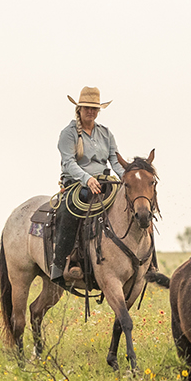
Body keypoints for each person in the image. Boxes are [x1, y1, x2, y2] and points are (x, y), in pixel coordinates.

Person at [49, 86, 124, 290]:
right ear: (79, 109)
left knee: (132, 206)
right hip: (76, 183)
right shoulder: (69, 134)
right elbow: (69, 163)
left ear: (98, 110)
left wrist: (127, 178)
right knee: (69, 211)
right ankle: (61, 263)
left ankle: (143, 261)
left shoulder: (106, 134)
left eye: (94, 108)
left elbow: (115, 161)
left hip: (104, 182)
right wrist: (87, 178)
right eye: (87, 108)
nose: (91, 111)